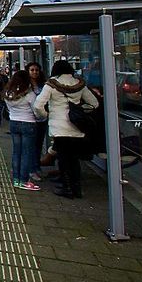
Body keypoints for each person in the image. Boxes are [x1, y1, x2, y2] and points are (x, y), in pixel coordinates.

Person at [34, 60, 98, 199]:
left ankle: (67, 187)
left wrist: (46, 115)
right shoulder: (79, 84)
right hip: (76, 128)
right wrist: (80, 112)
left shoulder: (51, 84)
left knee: (63, 158)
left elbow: (38, 105)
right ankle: (76, 188)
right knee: (74, 159)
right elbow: (94, 103)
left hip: (59, 127)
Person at [5, 70, 40, 191]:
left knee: (16, 152)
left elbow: (8, 108)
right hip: (28, 123)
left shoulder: (9, 94)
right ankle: (24, 180)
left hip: (14, 122)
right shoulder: (30, 94)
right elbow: (36, 110)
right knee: (26, 152)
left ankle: (16, 179)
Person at [26, 61, 48, 179]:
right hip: (29, 119)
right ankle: (31, 169)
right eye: (32, 70)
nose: (34, 72)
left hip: (42, 119)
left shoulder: (44, 85)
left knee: (38, 144)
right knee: (30, 145)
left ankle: (36, 166)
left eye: (36, 70)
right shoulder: (26, 85)